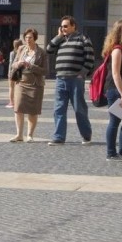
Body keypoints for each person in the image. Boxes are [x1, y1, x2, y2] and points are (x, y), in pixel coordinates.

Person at [46, 15, 95, 145]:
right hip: (60, 78)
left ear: (74, 26)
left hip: (75, 79)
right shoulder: (60, 40)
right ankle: (59, 137)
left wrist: (82, 74)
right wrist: (58, 36)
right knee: (59, 109)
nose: (64, 28)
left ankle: (86, 135)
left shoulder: (83, 39)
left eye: (66, 26)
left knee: (79, 109)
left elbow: (90, 58)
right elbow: (49, 49)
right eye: (62, 26)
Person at [100, 20, 122, 161]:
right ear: (121, 32)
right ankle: (111, 153)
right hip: (116, 90)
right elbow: (115, 74)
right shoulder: (117, 50)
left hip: (118, 89)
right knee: (115, 121)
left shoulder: (120, 49)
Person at [9, 29, 47, 143]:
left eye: (30, 37)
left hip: (35, 84)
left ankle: (30, 135)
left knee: (33, 111)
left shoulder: (41, 52)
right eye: (26, 37)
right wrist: (19, 64)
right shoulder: (21, 49)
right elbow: (13, 64)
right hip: (21, 82)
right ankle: (19, 134)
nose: (27, 40)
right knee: (18, 108)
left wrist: (31, 66)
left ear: (35, 38)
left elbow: (45, 71)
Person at [6, 39, 23, 108]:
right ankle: (17, 101)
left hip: (13, 71)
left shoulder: (12, 53)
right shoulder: (23, 52)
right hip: (20, 72)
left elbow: (11, 63)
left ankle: (11, 102)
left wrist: (9, 73)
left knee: (11, 87)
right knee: (18, 87)